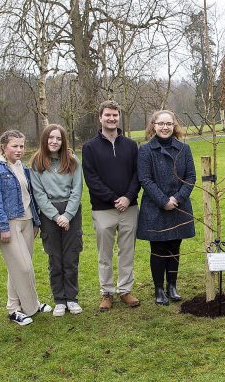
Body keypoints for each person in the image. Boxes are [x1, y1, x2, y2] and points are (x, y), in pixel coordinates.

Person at [0, 130, 52, 326]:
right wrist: (3, 226)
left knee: (19, 266)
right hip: (10, 223)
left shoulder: (22, 167)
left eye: (21, 146)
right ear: (3, 147)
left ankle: (19, 306)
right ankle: (23, 307)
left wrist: (36, 222)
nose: (19, 149)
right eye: (14, 146)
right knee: (23, 267)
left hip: (28, 221)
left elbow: (29, 195)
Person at [82, 100, 141, 311]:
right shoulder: (89, 148)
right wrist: (113, 198)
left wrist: (128, 197)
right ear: (100, 118)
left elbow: (138, 174)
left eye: (115, 115)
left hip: (130, 207)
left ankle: (125, 290)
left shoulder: (131, 145)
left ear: (119, 117)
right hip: (103, 209)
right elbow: (91, 178)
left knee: (127, 251)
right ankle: (106, 292)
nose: (111, 118)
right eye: (107, 115)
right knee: (104, 254)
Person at [137, 110, 196, 306]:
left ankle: (172, 286)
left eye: (169, 123)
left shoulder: (184, 149)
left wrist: (177, 199)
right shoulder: (145, 150)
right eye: (161, 123)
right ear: (153, 126)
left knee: (174, 247)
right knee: (158, 249)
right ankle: (159, 289)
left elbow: (190, 178)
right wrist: (164, 201)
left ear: (174, 126)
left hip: (179, 206)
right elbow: (145, 179)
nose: (165, 127)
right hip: (155, 208)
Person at [30, 124, 84, 316]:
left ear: (63, 141)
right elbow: (38, 193)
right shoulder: (37, 163)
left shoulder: (72, 161)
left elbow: (77, 190)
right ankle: (59, 299)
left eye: (58, 138)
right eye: (51, 138)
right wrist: (55, 216)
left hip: (71, 211)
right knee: (55, 259)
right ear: (45, 140)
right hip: (49, 214)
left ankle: (72, 298)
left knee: (70, 257)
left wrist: (68, 215)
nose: (54, 141)